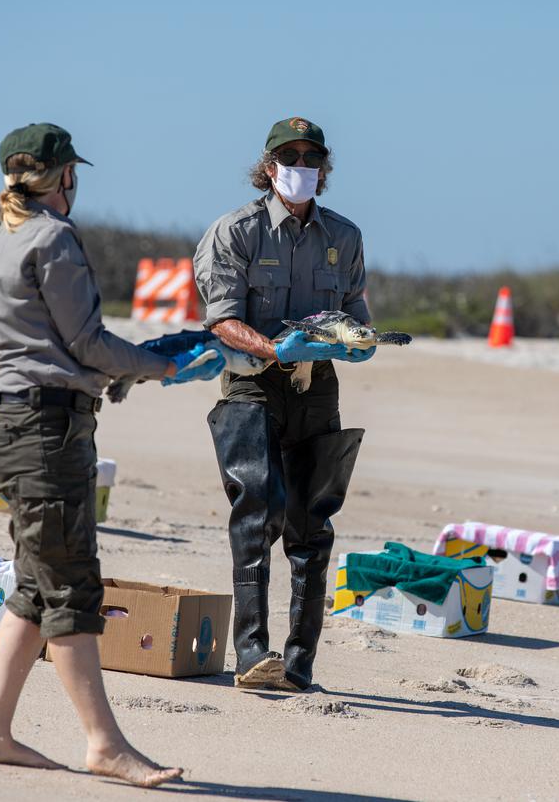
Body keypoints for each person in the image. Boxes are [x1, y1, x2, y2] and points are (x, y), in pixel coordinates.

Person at [0, 122, 222, 787]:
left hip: (11, 423)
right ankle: (104, 744)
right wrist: (161, 367)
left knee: (35, 585)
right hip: (43, 432)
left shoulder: (10, 234)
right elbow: (85, 343)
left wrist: (135, 365)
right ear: (63, 177)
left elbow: (62, 345)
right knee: (73, 588)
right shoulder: (54, 237)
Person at [194, 116, 372, 691]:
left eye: (311, 157)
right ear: (267, 167)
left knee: (312, 523)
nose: (301, 166)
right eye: (288, 157)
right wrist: (272, 347)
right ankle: (250, 655)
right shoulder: (235, 231)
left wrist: (358, 342)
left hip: (317, 386)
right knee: (256, 512)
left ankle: (298, 665)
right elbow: (222, 319)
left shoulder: (344, 237)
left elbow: (355, 312)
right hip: (251, 384)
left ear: (324, 169)